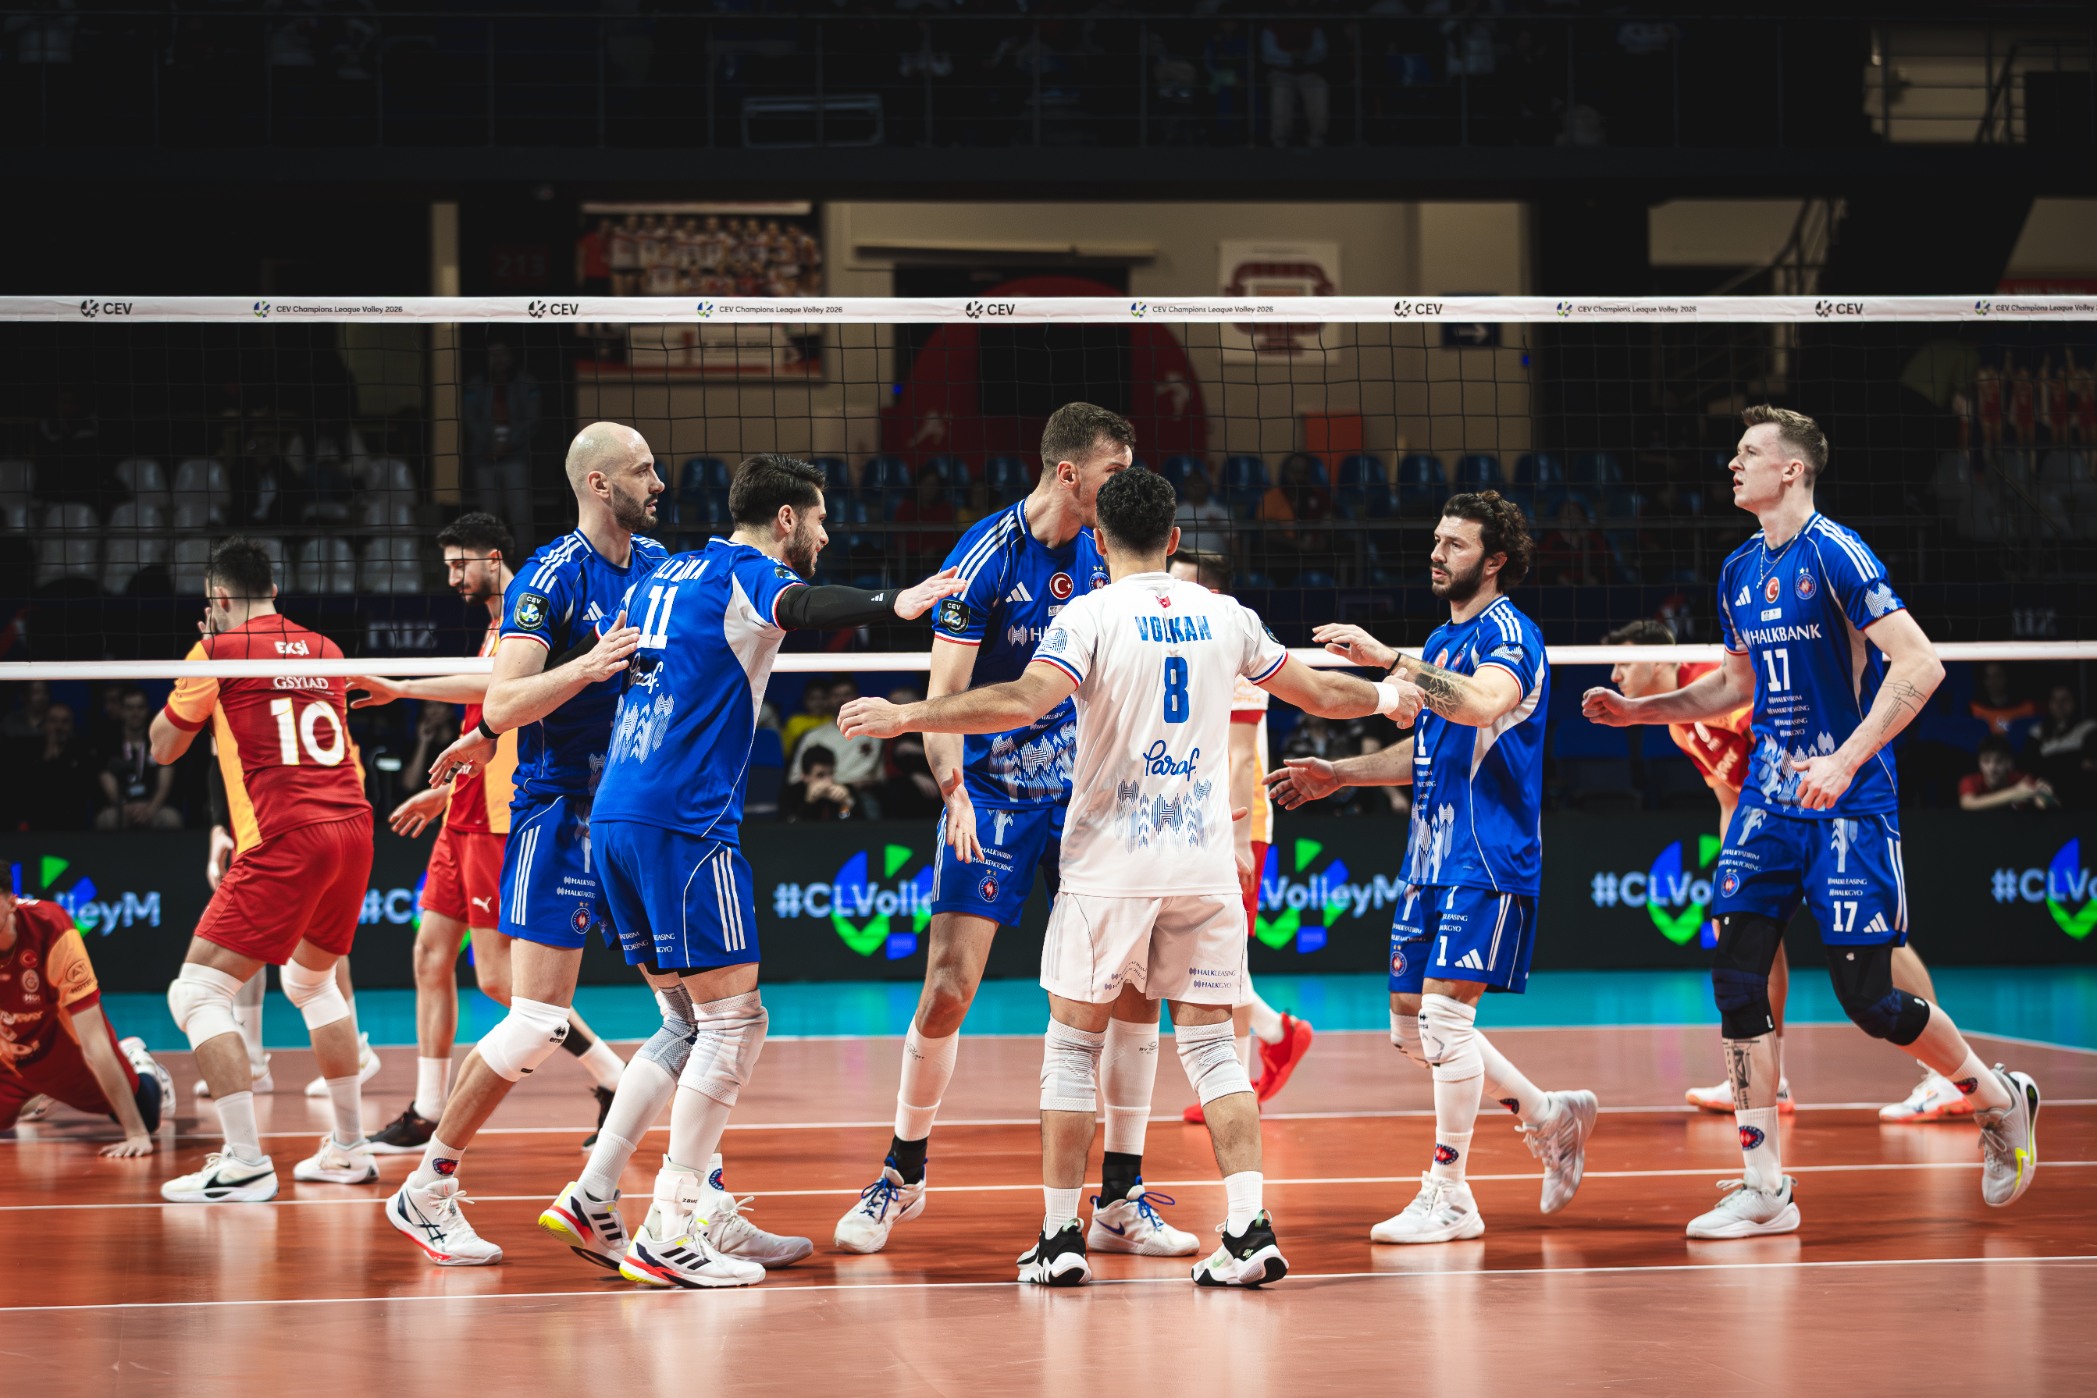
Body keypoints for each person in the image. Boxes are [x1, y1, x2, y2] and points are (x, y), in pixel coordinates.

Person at [840, 468, 1420, 1285]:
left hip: (1111, 864)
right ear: (1175, 540)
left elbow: (1020, 700)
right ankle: (1247, 1229)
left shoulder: (1088, 615)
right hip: (1201, 867)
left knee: (1072, 1046)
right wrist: (1393, 693)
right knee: (1214, 1049)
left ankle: (1059, 1235)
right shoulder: (1226, 614)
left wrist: (908, 714)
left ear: (1101, 542)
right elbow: (1321, 692)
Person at [1583, 405, 2042, 1237]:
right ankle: (1762, 1185)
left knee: (1868, 999)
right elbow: (1735, 686)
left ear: (1790, 469)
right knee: (1735, 977)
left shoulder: (1836, 553)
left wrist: (1844, 759)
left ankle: (1996, 1097)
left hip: (1847, 799)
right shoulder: (1736, 569)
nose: (1732, 464)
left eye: (1747, 452)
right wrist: (1640, 712)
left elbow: (1920, 664)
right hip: (1767, 798)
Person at [542, 453, 964, 1289]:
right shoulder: (746, 572)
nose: (825, 535)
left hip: (617, 809)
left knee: (683, 1023)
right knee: (736, 1023)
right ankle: (670, 1226)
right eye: (819, 519)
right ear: (785, 519)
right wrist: (895, 602)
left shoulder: (663, 575)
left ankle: (596, 1194)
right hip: (683, 820)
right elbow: (799, 604)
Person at [830, 403, 1165, 1259]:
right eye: (1114, 472)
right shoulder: (986, 556)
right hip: (994, 795)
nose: (1123, 488)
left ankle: (1121, 1196)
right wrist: (953, 791)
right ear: (1068, 473)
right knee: (948, 986)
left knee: (1130, 990)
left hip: (1089, 800)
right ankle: (902, 1172)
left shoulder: (1113, 554)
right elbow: (941, 695)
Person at [1281, 491, 1601, 1245]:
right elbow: (1428, 746)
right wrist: (1340, 775)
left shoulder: (1510, 634)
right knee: (1409, 1028)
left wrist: (1391, 661)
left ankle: (1449, 1195)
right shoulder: (1440, 639)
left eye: (1455, 544)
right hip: (1428, 855)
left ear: (1494, 561)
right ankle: (1548, 1114)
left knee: (1445, 1021)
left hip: (1486, 854)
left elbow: (1481, 704)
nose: (1436, 553)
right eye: (1435, 540)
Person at [384, 423, 664, 1266]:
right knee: (536, 1016)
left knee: (703, 1017)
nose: (658, 482)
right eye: (642, 470)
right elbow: (504, 704)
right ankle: (427, 1186)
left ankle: (675, 1198)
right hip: (559, 810)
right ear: (599, 484)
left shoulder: (657, 566)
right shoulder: (549, 575)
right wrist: (587, 666)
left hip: (633, 809)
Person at [1601, 619, 1972, 1125]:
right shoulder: (1679, 725)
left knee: (1873, 939)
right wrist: (1732, 874)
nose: (1615, 674)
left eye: (1624, 661)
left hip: (1827, 813)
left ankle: (1947, 1078)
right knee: (1754, 935)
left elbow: (1786, 733)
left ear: (1661, 659)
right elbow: (1728, 798)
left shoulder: (1716, 683)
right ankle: (1768, 1081)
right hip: (1768, 828)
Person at [348, 513, 630, 1158]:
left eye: (461, 564)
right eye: (447, 566)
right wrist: (447, 791)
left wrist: (401, 687)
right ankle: (427, 1108)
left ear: (493, 559)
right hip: (464, 813)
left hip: (501, 820)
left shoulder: (532, 616)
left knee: (502, 983)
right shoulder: (492, 626)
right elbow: (492, 726)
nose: (452, 577)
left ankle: (612, 1075)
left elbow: (499, 692)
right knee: (429, 957)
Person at [149, 537, 380, 1203]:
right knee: (312, 982)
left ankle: (245, 1162)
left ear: (219, 598)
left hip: (287, 835)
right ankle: (349, 1149)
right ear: (273, 591)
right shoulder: (326, 648)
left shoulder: (218, 650)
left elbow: (163, 749)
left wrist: (200, 658)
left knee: (196, 994)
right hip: (352, 827)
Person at [1169, 548, 1313, 1126]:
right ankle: (1278, 1036)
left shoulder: (1240, 650)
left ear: (1209, 594)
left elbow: (1241, 757)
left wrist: (1232, 843)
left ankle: (1241, 1079)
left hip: (1235, 825)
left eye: (1178, 583)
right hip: (1187, 821)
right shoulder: (1179, 646)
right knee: (1206, 957)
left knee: (1220, 961)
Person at [0, 888, 173, 1154]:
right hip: (12, 1057)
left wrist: (136, 1133)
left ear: (11, 903)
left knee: (146, 1117)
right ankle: (39, 1094)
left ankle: (137, 1059)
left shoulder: (50, 928)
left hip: (67, 1053)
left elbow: (94, 1041)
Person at [462, 339, 539, 546]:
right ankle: (493, 558)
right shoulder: (476, 384)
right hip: (484, 456)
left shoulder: (525, 383)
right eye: (493, 355)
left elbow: (532, 419)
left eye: (502, 354)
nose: (498, 360)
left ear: (511, 357)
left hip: (516, 456)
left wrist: (509, 444)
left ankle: (525, 558)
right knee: (489, 515)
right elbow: (470, 418)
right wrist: (489, 444)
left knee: (520, 513)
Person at [95, 687, 181, 830]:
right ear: (121, 711)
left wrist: (150, 809)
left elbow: (164, 785)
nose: (135, 713)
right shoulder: (108, 744)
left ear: (147, 710)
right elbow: (108, 783)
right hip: (121, 808)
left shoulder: (161, 742)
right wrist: (124, 807)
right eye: (130, 708)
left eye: (140, 708)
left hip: (153, 807)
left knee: (170, 818)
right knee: (107, 819)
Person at [2025, 683, 2094, 806]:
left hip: (2080, 792)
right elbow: (2032, 766)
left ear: (2075, 702)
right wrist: (2074, 760)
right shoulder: (2037, 732)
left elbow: (2088, 765)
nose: (2059, 705)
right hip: (2047, 792)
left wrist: (2051, 761)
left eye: (2064, 700)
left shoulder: (2089, 728)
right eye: (2054, 700)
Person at [1958, 736, 2055, 812]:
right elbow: (1967, 804)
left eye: (1999, 761)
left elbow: (2044, 803)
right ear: (1979, 763)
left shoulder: (2023, 779)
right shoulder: (1970, 781)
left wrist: (2046, 795)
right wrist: (2014, 793)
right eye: (1986, 761)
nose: (1992, 768)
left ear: (2009, 763)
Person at [781, 744, 855, 821]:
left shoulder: (846, 790)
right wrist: (808, 802)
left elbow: (847, 822)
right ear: (805, 777)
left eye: (831, 773)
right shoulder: (791, 793)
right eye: (820, 775)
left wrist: (846, 804)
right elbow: (790, 825)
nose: (828, 781)